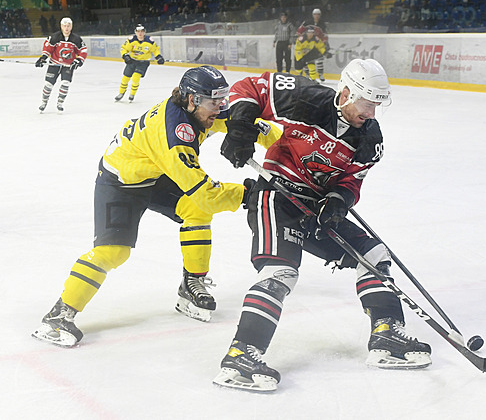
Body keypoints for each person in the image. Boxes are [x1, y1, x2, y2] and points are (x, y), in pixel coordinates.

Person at [213, 59, 431, 392]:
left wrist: (338, 201)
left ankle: (386, 335)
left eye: (376, 104)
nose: (371, 112)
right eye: (365, 102)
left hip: (315, 208)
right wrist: (240, 129)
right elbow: (249, 89)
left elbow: (351, 180)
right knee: (280, 273)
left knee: (373, 253)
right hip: (276, 196)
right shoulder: (306, 97)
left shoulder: (369, 138)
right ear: (345, 92)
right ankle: (240, 356)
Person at [32, 66, 282, 348]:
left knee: (195, 211)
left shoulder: (197, 109)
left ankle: (191, 286)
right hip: (120, 182)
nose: (220, 108)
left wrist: (292, 149)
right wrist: (248, 193)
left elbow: (245, 123)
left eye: (222, 100)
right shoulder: (174, 136)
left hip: (153, 172)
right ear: (192, 100)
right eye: (215, 102)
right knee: (113, 252)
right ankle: (59, 314)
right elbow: (207, 194)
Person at [35, 17, 87, 113]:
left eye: (68, 26)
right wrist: (42, 58)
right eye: (64, 26)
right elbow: (48, 48)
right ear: (61, 26)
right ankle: (44, 102)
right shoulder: (55, 37)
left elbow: (83, 50)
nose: (66, 28)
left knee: (65, 84)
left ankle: (60, 103)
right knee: (48, 84)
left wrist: (79, 60)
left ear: (71, 26)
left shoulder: (76, 39)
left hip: (68, 66)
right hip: (54, 64)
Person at [114, 24, 165, 102]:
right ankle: (121, 93)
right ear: (136, 32)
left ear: (144, 32)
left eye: (142, 31)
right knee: (125, 78)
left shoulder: (149, 41)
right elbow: (124, 48)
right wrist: (125, 56)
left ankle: (132, 94)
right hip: (132, 61)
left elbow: (155, 50)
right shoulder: (131, 40)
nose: (140, 33)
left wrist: (159, 57)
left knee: (135, 77)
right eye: (138, 32)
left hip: (143, 63)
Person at [297, 8, 330, 82]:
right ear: (313, 15)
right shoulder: (307, 22)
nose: (316, 16)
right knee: (307, 59)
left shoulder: (322, 24)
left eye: (318, 14)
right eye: (315, 14)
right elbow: (300, 30)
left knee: (319, 59)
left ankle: (320, 74)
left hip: (318, 44)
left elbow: (325, 34)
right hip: (308, 44)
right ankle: (307, 74)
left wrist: (325, 42)